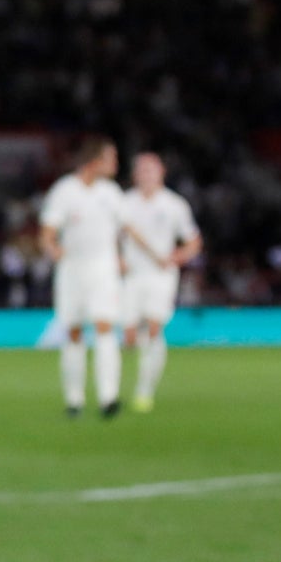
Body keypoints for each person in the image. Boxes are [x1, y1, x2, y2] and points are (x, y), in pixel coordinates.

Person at [38, 138, 125, 419]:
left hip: (103, 268)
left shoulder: (111, 193)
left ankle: (108, 397)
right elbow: (48, 231)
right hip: (72, 268)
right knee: (73, 331)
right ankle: (74, 399)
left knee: (104, 326)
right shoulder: (65, 191)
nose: (115, 164)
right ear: (94, 162)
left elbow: (125, 228)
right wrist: (52, 249)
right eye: (110, 158)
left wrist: (125, 256)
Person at [118, 152, 203, 412]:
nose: (147, 175)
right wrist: (116, 258)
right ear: (135, 175)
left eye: (151, 170)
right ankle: (115, 385)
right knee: (130, 336)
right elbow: (108, 234)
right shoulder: (122, 203)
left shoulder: (175, 205)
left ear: (161, 173)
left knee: (154, 328)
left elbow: (194, 242)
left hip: (160, 275)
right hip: (130, 276)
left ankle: (145, 391)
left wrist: (178, 256)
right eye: (142, 170)